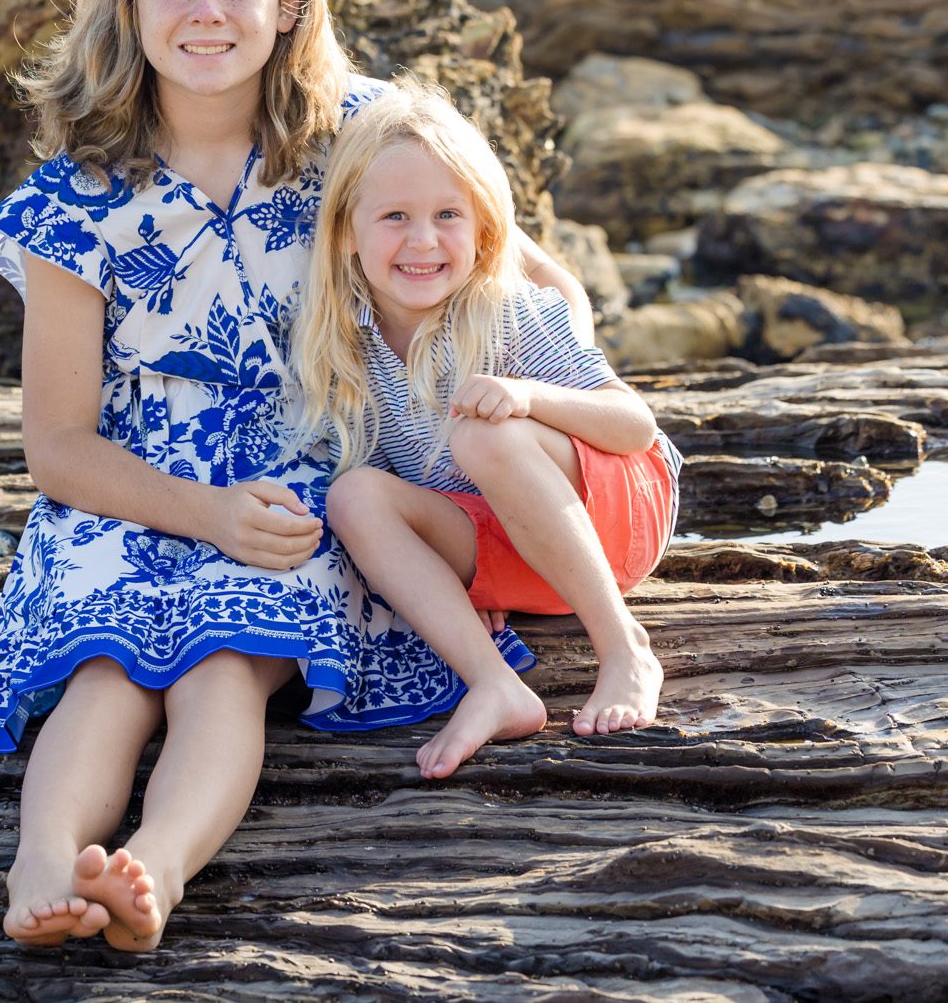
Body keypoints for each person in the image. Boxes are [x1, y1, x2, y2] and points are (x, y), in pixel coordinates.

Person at [0, 0, 590, 952]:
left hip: (308, 479)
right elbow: (55, 443)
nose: (205, 12)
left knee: (225, 666)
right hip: (126, 487)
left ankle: (154, 870)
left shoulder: (361, 134)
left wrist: (552, 420)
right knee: (106, 673)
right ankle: (43, 864)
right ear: (129, 3)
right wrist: (199, 513)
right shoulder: (75, 199)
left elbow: (531, 278)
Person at [291, 83, 681, 783]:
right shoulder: (344, 346)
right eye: (395, 216)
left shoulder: (505, 310)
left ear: (482, 230)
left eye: (448, 215)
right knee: (354, 495)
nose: (423, 240)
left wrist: (529, 397)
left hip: (614, 516)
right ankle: (495, 684)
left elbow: (635, 427)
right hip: (515, 552)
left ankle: (625, 649)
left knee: (484, 435)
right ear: (347, 232)